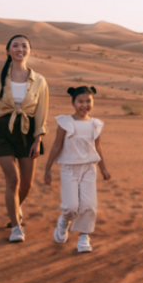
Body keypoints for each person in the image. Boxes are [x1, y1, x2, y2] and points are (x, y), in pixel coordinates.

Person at [0, 34, 49, 243]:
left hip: (28, 132)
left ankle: (16, 207)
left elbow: (41, 113)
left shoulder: (39, 80)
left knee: (27, 185)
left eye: (24, 46)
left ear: (29, 51)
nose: (20, 49)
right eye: (15, 45)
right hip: (1, 132)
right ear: (8, 51)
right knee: (13, 179)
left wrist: (38, 139)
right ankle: (16, 227)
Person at [44, 86, 111, 253]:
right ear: (73, 103)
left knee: (88, 204)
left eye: (88, 101)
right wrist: (48, 168)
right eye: (80, 101)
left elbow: (98, 148)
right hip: (69, 168)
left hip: (89, 168)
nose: (84, 105)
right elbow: (56, 146)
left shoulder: (95, 124)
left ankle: (83, 237)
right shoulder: (65, 122)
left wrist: (103, 168)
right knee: (71, 206)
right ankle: (64, 221)